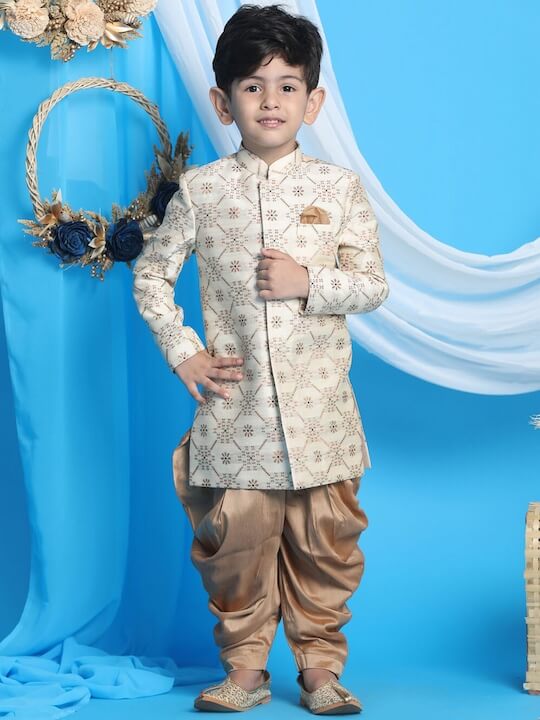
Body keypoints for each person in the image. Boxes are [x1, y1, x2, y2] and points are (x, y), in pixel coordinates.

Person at [132, 3, 389, 714]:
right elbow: (151, 276)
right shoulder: (202, 191)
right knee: (236, 542)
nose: (270, 100)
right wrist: (184, 354)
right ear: (223, 102)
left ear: (314, 101)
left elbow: (372, 285)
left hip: (320, 414)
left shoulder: (338, 189)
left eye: (287, 85)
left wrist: (310, 282)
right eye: (252, 86)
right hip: (235, 413)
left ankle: (320, 670)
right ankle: (245, 669)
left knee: (326, 543)